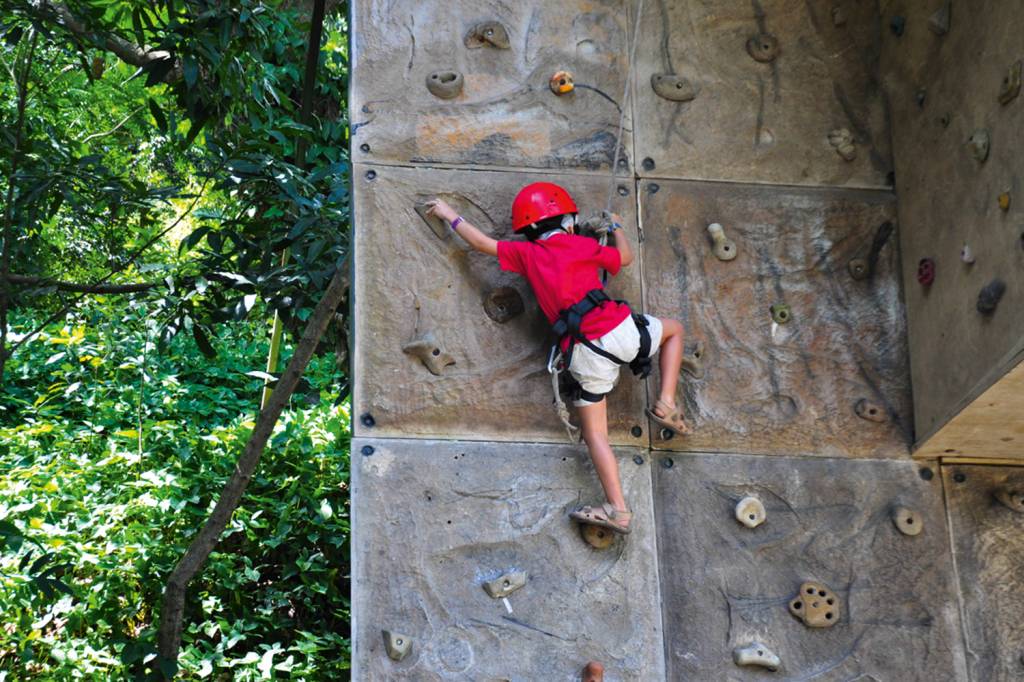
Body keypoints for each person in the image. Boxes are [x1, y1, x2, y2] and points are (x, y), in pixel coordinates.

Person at [426, 182, 689, 534]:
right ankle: (666, 402)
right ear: (567, 220)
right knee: (674, 330)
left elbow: (481, 243)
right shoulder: (580, 243)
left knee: (596, 434)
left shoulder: (527, 254)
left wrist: (449, 214)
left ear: (530, 230)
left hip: (585, 351)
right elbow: (624, 259)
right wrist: (616, 226)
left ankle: (618, 511)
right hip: (623, 330)